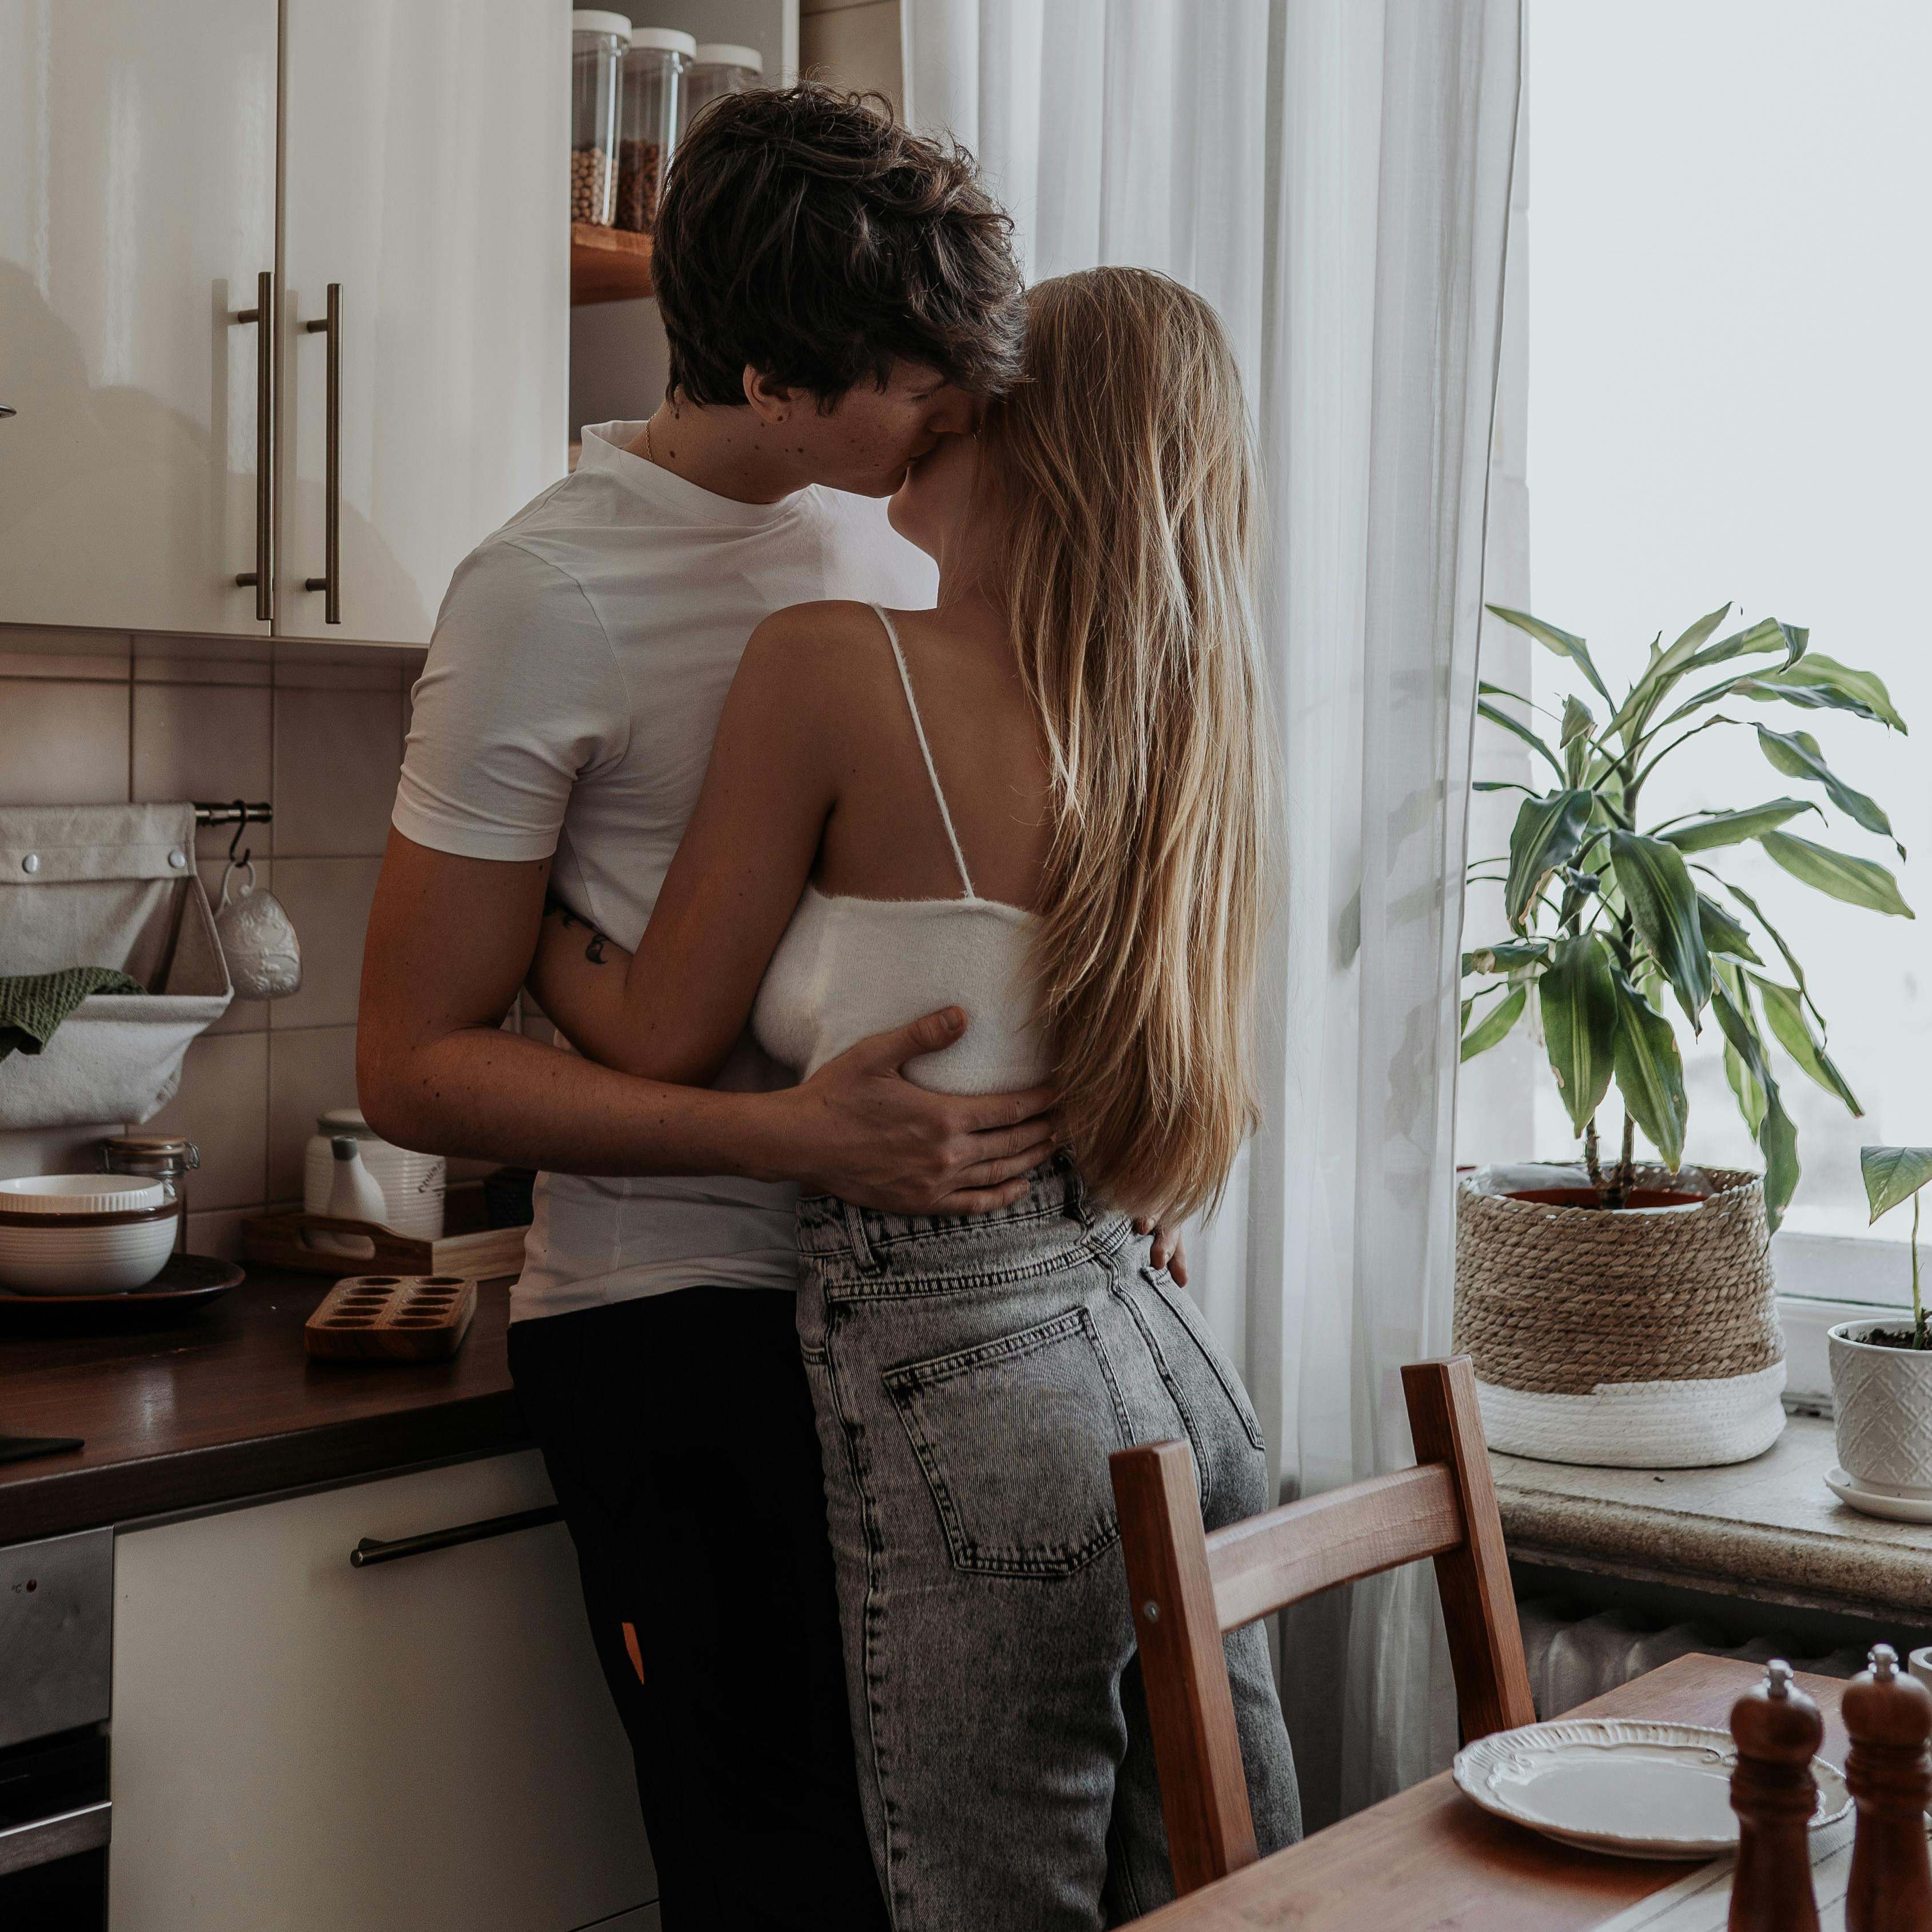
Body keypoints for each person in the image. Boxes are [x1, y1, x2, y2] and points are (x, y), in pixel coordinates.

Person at [356, 88, 1066, 1931]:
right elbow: (412, 1063)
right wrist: (785, 1135)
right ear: (767, 380)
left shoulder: (896, 534)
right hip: (673, 1326)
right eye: (914, 381)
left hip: (909, 1317)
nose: (958, 411)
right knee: (774, 1877)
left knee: (932, 1874)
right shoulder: (544, 593)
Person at [529, 266, 1302, 1931]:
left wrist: (538, 929)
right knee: (1216, 1903)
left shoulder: (833, 662)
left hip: (969, 1389)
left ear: (1013, 429)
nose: (913, 423)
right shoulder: (1169, 730)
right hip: (1156, 1360)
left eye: (958, 390)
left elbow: (662, 1030)